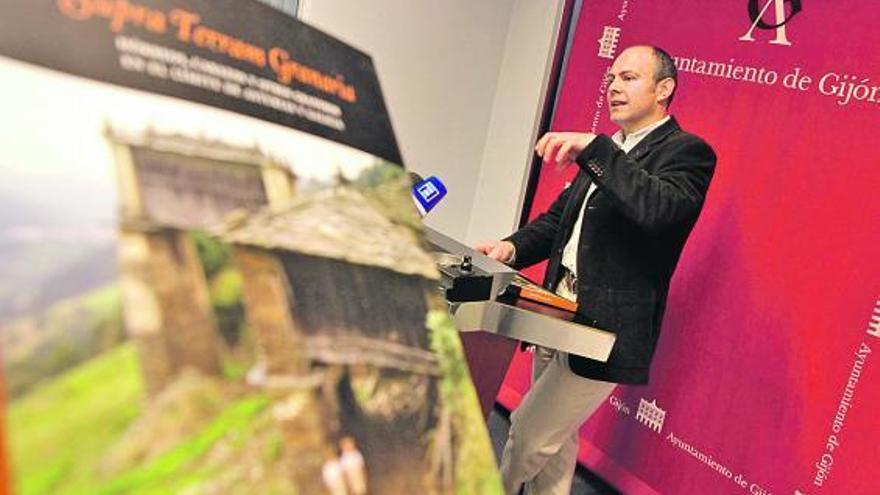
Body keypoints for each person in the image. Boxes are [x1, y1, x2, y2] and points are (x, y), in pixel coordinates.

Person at [475, 45, 716, 494]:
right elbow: (558, 222)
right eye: (611, 78)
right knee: (556, 443)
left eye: (628, 78)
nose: (613, 87)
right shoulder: (609, 151)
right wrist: (510, 247)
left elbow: (657, 209)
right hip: (555, 313)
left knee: (528, 432)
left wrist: (600, 150)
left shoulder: (688, 153)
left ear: (664, 89)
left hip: (605, 329)